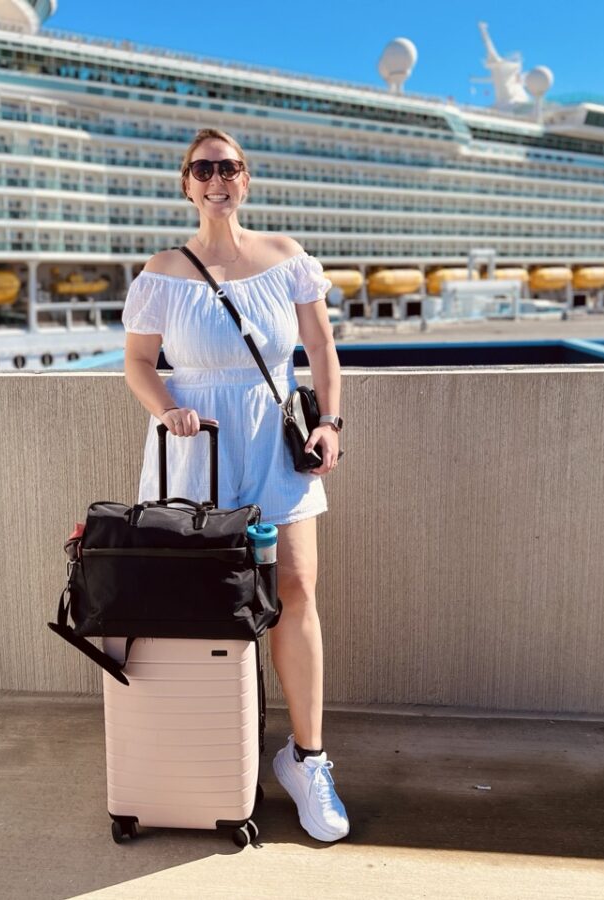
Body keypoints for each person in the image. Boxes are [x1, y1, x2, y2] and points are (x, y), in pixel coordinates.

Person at [121, 128, 349, 843]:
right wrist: (168, 412)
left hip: (274, 442)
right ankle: (214, 751)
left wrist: (331, 423)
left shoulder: (285, 257)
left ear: (246, 180)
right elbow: (137, 365)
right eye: (204, 168)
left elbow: (320, 348)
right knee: (200, 604)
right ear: (186, 183)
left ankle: (306, 758)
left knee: (297, 587)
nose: (218, 178)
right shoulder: (160, 271)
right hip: (197, 450)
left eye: (231, 167)